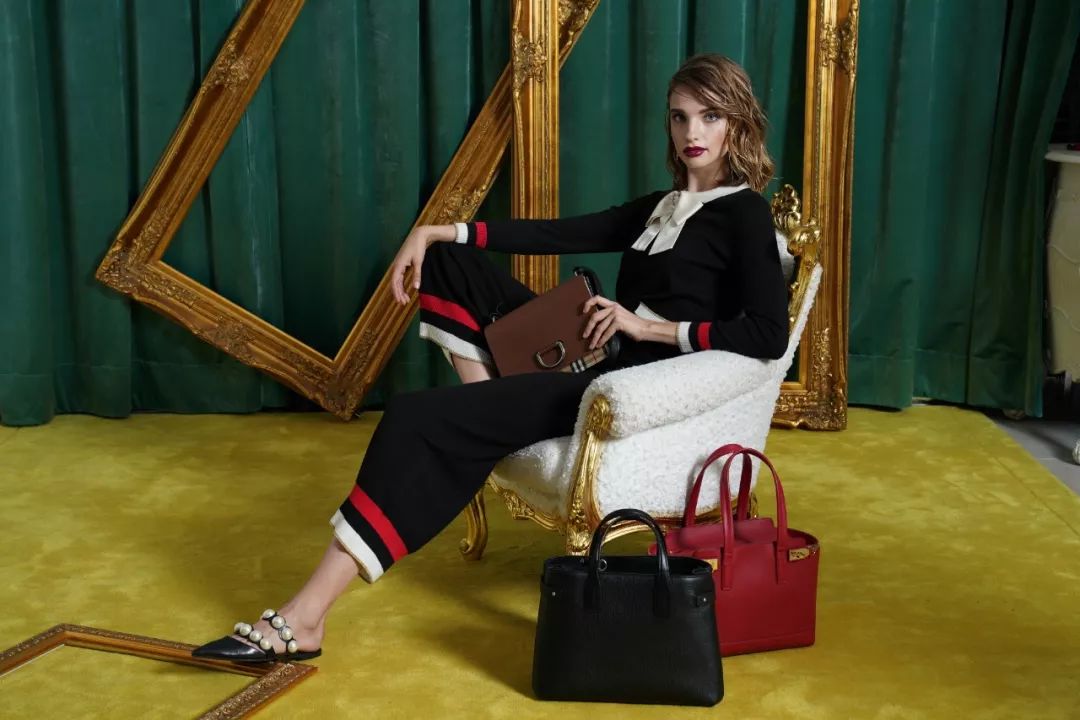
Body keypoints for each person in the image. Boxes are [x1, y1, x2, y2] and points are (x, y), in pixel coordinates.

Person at [193, 53, 789, 663]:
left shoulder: (745, 213)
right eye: (680, 116)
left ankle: (304, 619)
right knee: (449, 263)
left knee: (414, 417)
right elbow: (559, 233)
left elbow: (768, 336)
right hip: (592, 357)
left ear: (736, 124)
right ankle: (490, 417)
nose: (692, 132)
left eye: (710, 117)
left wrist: (646, 327)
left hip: (619, 387)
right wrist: (440, 232)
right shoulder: (663, 205)